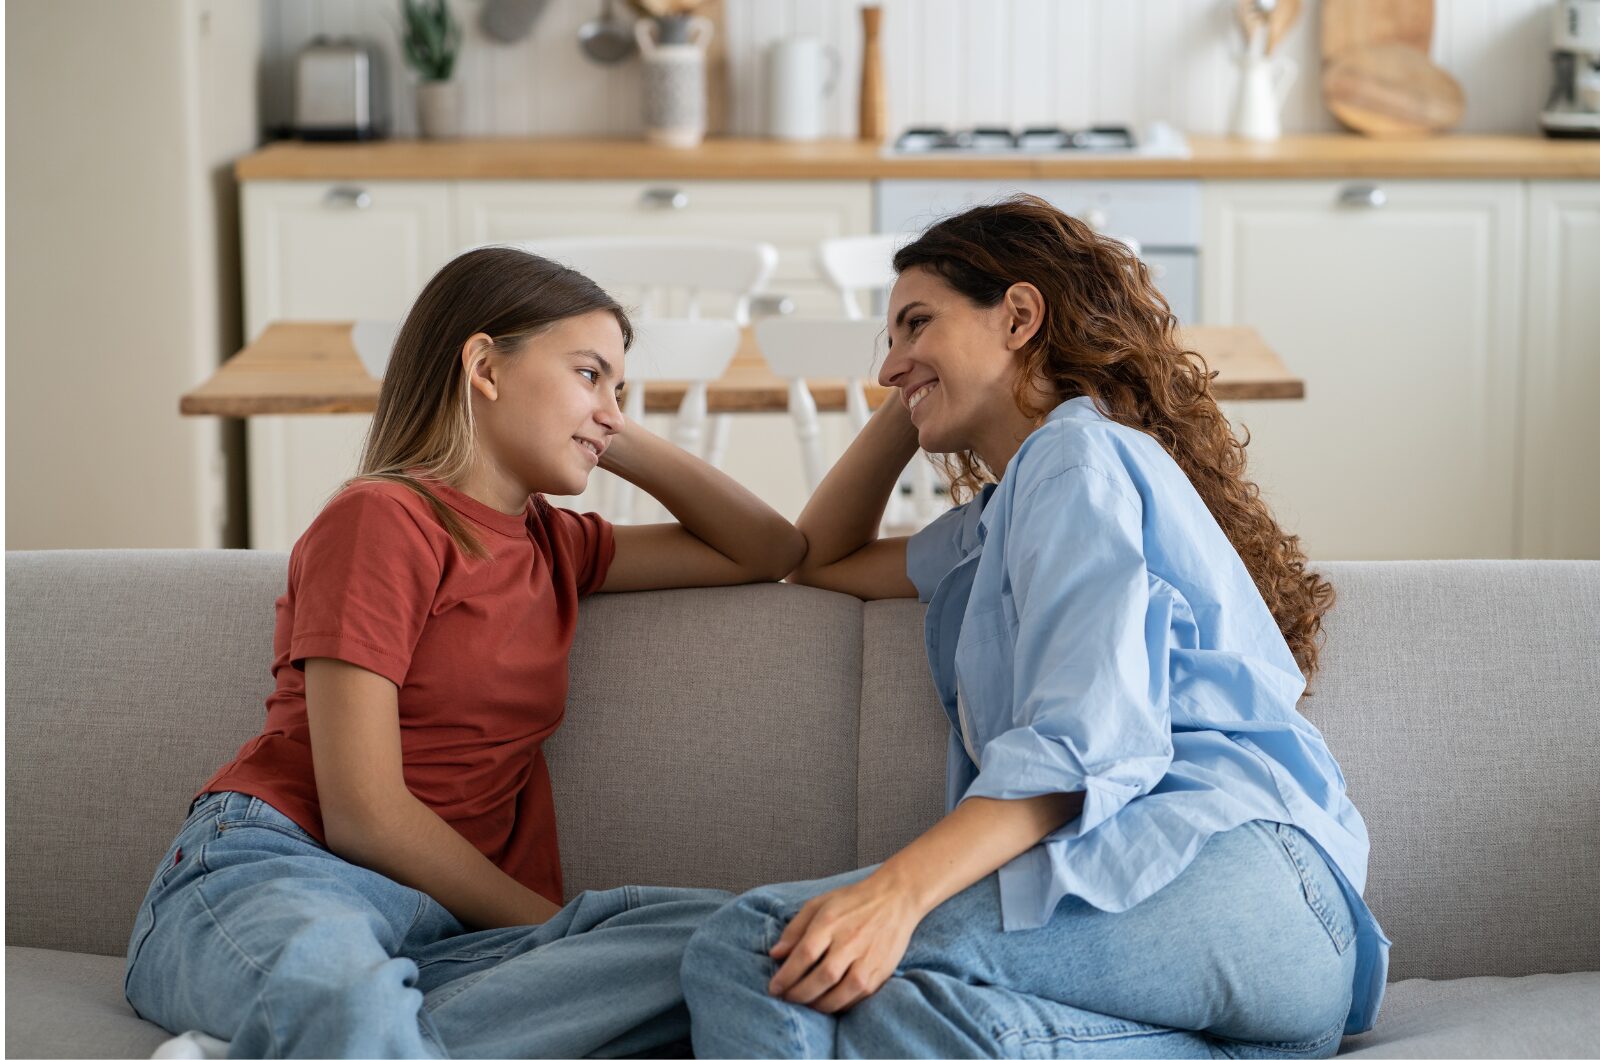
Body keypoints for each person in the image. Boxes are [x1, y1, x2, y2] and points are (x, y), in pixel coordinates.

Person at [681, 195, 1390, 1059]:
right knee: (894, 1017)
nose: (889, 364)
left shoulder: (1073, 457)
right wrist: (920, 384)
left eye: (916, 323)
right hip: (1280, 961)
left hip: (1221, 871)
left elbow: (1084, 740)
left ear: (1019, 315)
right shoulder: (1004, 515)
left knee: (759, 945)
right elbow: (818, 556)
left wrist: (898, 893)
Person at [123, 247, 806, 1058]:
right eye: (589, 372)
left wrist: (605, 426)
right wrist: (552, 930)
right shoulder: (383, 520)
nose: (611, 407)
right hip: (285, 872)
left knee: (744, 944)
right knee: (345, 992)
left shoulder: (559, 546)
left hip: (444, 936)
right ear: (483, 365)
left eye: (618, 386)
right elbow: (364, 816)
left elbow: (768, 548)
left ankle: (275, 1044)